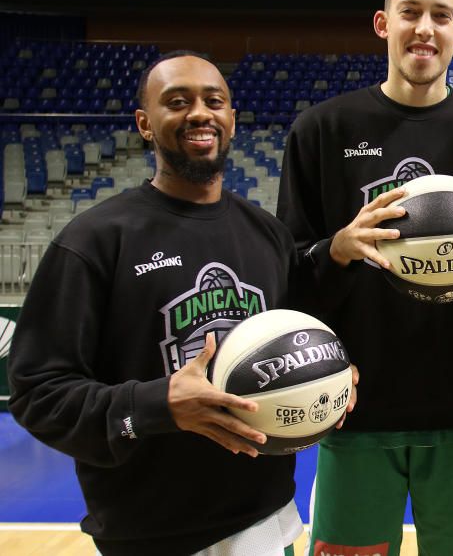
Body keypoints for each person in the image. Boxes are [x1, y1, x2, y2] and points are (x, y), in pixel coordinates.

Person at [7, 52, 354, 556]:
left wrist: (332, 372)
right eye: (177, 101)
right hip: (149, 532)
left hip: (268, 518)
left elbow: (303, 335)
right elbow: (37, 394)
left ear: (232, 119)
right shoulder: (96, 241)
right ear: (145, 124)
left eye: (214, 101)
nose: (199, 112)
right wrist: (156, 405)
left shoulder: (268, 235)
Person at [277, 0, 453, 556]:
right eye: (410, 12)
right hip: (353, 409)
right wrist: (335, 249)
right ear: (382, 23)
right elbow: (289, 273)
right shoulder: (321, 131)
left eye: (441, 16)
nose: (425, 29)